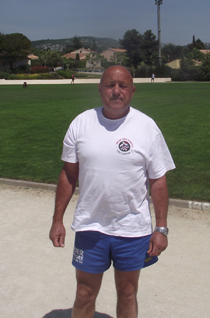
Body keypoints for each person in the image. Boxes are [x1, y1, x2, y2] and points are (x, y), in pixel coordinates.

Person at [49, 65, 175, 318]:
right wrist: (57, 219)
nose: (116, 91)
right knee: (84, 293)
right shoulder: (81, 123)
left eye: (123, 86)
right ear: (100, 89)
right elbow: (68, 175)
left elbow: (158, 181)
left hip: (132, 228)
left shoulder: (147, 127)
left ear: (132, 90)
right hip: (90, 226)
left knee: (127, 292)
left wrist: (161, 228)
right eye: (110, 85)